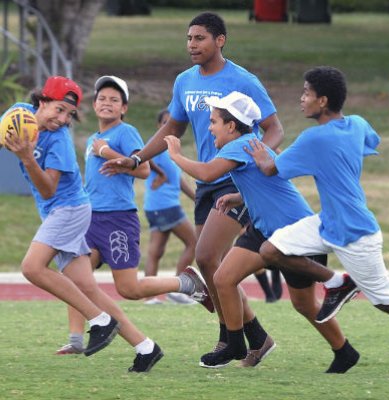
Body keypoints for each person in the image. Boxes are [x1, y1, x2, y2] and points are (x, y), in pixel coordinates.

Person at [102, 11, 284, 367]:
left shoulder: (243, 80)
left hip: (236, 179)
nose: (191, 45)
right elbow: (173, 127)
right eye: (188, 39)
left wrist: (260, 161)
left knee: (204, 257)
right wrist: (135, 157)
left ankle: (229, 340)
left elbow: (274, 128)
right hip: (205, 181)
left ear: (220, 40)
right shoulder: (184, 81)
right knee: (211, 265)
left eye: (199, 38)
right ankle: (257, 338)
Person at [164, 90, 360, 372]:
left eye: (214, 121)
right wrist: (239, 197)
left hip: (294, 234)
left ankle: (344, 350)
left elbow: (206, 174)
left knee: (304, 304)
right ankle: (234, 342)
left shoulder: (240, 145)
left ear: (231, 126)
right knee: (223, 278)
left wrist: (175, 155)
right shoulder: (249, 145)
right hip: (262, 229)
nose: (209, 128)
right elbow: (267, 184)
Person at [55, 76, 213, 367]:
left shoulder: (126, 133)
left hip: (118, 220)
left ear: (124, 108)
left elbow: (143, 172)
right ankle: (77, 339)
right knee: (75, 277)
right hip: (90, 219)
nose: (107, 103)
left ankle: (184, 282)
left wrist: (108, 152)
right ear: (94, 104)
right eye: (102, 98)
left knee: (129, 289)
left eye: (114, 100)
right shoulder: (92, 139)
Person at [246, 66, 389, 324]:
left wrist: (262, 155)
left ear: (323, 101)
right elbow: (370, 142)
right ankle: (337, 282)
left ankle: (342, 285)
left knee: (387, 303)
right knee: (270, 250)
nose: (301, 99)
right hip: (327, 223)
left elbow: (271, 169)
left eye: (306, 93)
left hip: (356, 233)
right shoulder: (358, 124)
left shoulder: (314, 139)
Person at [1, 76, 121, 359]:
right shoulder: (18, 114)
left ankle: (101, 320)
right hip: (56, 212)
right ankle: (145, 346)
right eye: (59, 109)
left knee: (32, 267)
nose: (63, 118)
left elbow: (47, 189)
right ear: (42, 101)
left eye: (69, 114)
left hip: (70, 209)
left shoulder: (59, 141)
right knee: (86, 285)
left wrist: (27, 158)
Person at [143, 109, 197, 305]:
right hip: (164, 205)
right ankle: (178, 290)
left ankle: (150, 297)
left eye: (172, 122)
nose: (169, 126)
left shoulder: (171, 148)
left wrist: (195, 197)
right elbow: (143, 156)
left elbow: (178, 180)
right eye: (165, 122)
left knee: (156, 251)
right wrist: (160, 174)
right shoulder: (157, 145)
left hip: (157, 206)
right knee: (195, 242)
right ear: (159, 126)